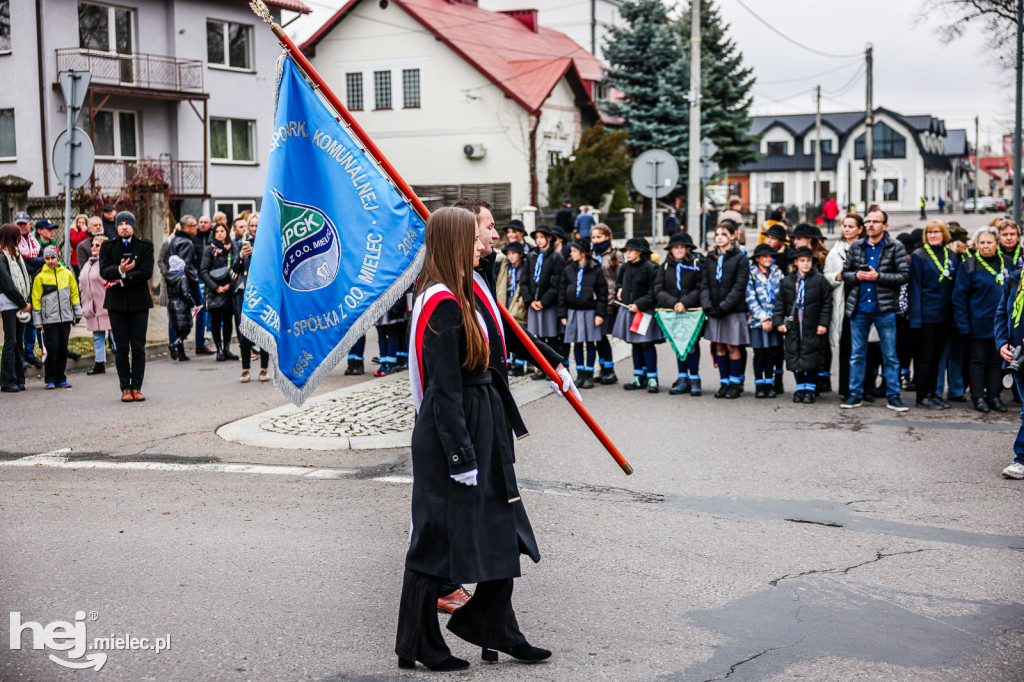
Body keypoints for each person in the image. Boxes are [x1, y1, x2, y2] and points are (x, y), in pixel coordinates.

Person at [397, 206, 556, 671]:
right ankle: (417, 642)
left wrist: (552, 362)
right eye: (473, 238)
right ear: (452, 244)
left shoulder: (467, 291)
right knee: (436, 538)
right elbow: (443, 389)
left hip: (482, 419)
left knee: (501, 526)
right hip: (457, 428)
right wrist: (460, 455)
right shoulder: (442, 303)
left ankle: (493, 626)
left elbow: (507, 336)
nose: (483, 245)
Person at [840, 208, 910, 412]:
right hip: (860, 307)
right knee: (857, 354)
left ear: (885, 226)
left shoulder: (895, 247)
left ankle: (893, 396)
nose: (871, 224)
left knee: (890, 355)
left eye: (875, 221)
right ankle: (855, 394)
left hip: (884, 307)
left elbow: (904, 276)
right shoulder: (857, 246)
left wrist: (878, 277)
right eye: (868, 221)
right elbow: (845, 274)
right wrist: (856, 276)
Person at [99, 210, 154, 402]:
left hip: (139, 303)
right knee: (121, 348)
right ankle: (125, 388)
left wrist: (123, 279)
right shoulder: (108, 246)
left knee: (138, 347)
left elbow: (146, 272)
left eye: (127, 224)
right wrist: (120, 270)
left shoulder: (145, 245)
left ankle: (137, 387)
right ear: (116, 227)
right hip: (116, 304)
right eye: (120, 224)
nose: (124, 227)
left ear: (133, 226)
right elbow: (104, 271)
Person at [953, 226, 1006, 413]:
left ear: (996, 244)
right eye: (981, 243)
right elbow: (959, 297)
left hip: (1001, 326)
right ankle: (978, 398)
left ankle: (994, 396)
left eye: (989, 242)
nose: (985, 246)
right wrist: (963, 324)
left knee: (996, 363)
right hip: (978, 324)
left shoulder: (1005, 263)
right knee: (978, 361)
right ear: (976, 245)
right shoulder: (969, 265)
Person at [909, 219, 959, 410]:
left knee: (937, 356)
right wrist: (916, 318)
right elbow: (915, 288)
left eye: (936, 232)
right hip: (925, 315)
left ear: (944, 234)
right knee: (925, 357)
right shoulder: (919, 255)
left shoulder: (951, 256)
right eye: (929, 232)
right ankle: (922, 396)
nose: (932, 235)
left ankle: (933, 394)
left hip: (944, 315)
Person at [773, 246, 833, 403]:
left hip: (812, 324)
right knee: (795, 356)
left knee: (812, 356)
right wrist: (778, 321)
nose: (806, 264)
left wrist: (823, 323)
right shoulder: (787, 281)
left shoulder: (819, 280)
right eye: (802, 261)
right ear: (796, 262)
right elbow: (780, 303)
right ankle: (800, 387)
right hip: (794, 326)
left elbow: (827, 303)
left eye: (808, 261)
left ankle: (810, 389)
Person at [701, 223, 750, 399]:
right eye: (717, 234)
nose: (720, 237)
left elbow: (740, 285)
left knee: (732, 346)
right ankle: (724, 382)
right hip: (714, 310)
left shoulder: (740, 258)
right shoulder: (710, 258)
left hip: (732, 310)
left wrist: (724, 306)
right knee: (719, 346)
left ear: (732, 236)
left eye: (724, 234)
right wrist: (708, 305)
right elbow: (704, 284)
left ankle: (735, 383)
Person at [655, 231, 704, 396]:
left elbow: (700, 286)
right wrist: (673, 303)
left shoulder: (696, 264)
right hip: (673, 311)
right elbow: (658, 289)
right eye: (676, 248)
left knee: (691, 344)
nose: (679, 250)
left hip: (692, 311)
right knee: (679, 343)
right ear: (671, 250)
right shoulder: (665, 267)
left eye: (682, 247)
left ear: (687, 249)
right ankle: (682, 377)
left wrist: (685, 302)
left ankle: (695, 378)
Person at [613, 237, 662, 392]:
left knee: (646, 344)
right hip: (630, 310)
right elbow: (619, 282)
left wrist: (639, 304)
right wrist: (619, 289)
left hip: (643, 312)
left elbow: (654, 292)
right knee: (635, 344)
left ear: (640, 252)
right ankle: (638, 376)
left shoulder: (651, 268)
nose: (628, 253)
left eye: (631, 250)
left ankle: (652, 378)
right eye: (626, 250)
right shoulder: (625, 267)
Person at [824, 213, 865, 399]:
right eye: (845, 226)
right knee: (846, 347)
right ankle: (846, 388)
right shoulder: (835, 251)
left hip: (862, 300)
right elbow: (826, 275)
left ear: (860, 229)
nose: (846, 229)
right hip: (844, 300)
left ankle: (864, 387)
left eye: (851, 226)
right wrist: (837, 276)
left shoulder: (866, 249)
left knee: (864, 348)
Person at [557, 238, 607, 389]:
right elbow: (562, 293)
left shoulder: (596, 270)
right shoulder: (568, 269)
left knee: (590, 343)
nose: (571, 254)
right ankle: (580, 374)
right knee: (577, 343)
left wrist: (600, 314)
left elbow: (602, 294)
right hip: (573, 312)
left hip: (590, 312)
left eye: (574, 251)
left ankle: (589, 374)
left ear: (583, 253)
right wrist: (563, 314)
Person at [31, 246, 81, 389]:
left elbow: (74, 294)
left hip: (65, 318)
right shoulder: (40, 277)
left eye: (53, 258)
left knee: (63, 348)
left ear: (58, 258)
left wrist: (77, 313)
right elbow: (36, 300)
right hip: (49, 319)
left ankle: (61, 377)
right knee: (52, 348)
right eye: (47, 258)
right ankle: (50, 378)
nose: (50, 261)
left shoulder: (67, 274)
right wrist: (38, 321)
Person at [521, 225, 565, 379]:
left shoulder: (556, 258)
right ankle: (541, 368)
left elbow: (557, 284)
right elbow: (524, 280)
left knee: (551, 337)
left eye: (542, 237)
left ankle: (554, 369)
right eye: (537, 238)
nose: (539, 241)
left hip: (548, 305)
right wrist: (530, 300)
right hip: (534, 304)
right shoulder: (531, 256)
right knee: (538, 337)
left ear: (549, 238)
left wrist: (543, 301)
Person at [995, 263, 1024, 479]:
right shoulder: (1014, 279)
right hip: (1018, 356)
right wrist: (1002, 343)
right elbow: (1000, 313)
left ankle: (1021, 459)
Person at [233, 215, 269, 382]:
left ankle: (264, 369)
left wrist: (257, 254)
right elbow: (233, 270)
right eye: (252, 225)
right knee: (244, 330)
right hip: (244, 291)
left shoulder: (268, 243)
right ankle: (245, 369)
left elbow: (271, 266)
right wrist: (241, 256)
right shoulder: (241, 243)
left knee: (263, 329)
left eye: (257, 225)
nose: (254, 229)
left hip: (262, 291)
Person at [745, 243, 783, 398]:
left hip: (774, 320)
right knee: (759, 352)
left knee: (771, 352)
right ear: (757, 259)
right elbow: (750, 298)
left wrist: (776, 318)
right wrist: (763, 318)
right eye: (764, 256)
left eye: (770, 256)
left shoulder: (777, 273)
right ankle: (759, 383)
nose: (768, 259)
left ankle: (769, 382)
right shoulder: (751, 274)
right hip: (757, 321)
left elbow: (781, 297)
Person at [200, 223, 238, 362]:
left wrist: (230, 285)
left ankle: (227, 348)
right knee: (216, 321)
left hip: (229, 290)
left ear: (227, 232)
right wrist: (216, 287)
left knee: (228, 320)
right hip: (214, 291)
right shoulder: (209, 250)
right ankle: (219, 349)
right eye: (217, 231)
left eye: (222, 231)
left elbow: (236, 268)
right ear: (214, 234)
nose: (220, 233)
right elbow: (203, 271)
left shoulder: (232, 248)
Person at [0, 223, 31, 392]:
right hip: (9, 304)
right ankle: (7, 380)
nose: (21, 238)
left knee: (19, 341)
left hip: (19, 302)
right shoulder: (2, 256)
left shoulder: (17, 255)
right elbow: (7, 284)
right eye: (18, 236)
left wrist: (25, 300)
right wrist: (22, 303)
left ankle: (19, 378)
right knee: (11, 341)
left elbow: (25, 279)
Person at [79, 235, 113, 376]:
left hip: (107, 306)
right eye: (92, 245)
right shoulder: (88, 264)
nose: (93, 247)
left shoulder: (107, 263)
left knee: (115, 335)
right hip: (92, 308)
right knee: (98, 336)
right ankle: (99, 363)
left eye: (97, 245)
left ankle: (123, 361)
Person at [590, 224, 620, 384]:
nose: (596, 240)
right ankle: (603, 369)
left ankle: (609, 370)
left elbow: (619, 279)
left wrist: (614, 298)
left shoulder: (615, 254)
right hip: (592, 301)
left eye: (599, 237)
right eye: (593, 237)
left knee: (602, 336)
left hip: (608, 301)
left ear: (607, 237)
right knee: (597, 337)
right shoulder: (591, 253)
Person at [14, 212, 43, 368]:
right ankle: (20, 357)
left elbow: (43, 259)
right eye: (19, 224)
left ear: (29, 224)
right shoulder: (13, 241)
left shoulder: (35, 241)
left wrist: (31, 262)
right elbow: (22, 264)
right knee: (21, 324)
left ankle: (29, 354)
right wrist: (34, 263)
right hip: (20, 287)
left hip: (35, 285)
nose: (22, 226)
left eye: (24, 223)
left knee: (32, 323)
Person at [496, 241, 527, 375]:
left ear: (520, 254)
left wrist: (522, 300)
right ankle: (508, 363)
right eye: (508, 253)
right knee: (506, 332)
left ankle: (519, 364)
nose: (511, 256)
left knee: (519, 334)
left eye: (513, 253)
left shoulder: (524, 267)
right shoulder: (506, 266)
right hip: (507, 300)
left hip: (518, 302)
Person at [165, 255, 195, 362]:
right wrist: (192, 304)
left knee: (178, 330)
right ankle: (175, 344)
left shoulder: (168, 277)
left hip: (172, 305)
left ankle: (182, 354)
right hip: (182, 305)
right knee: (186, 329)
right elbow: (185, 293)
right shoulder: (182, 278)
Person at [192, 215, 215, 354]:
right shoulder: (193, 238)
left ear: (210, 224)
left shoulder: (214, 238)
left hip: (212, 276)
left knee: (208, 308)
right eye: (200, 222)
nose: (203, 224)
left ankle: (207, 335)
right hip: (197, 278)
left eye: (206, 222)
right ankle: (199, 342)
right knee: (201, 309)